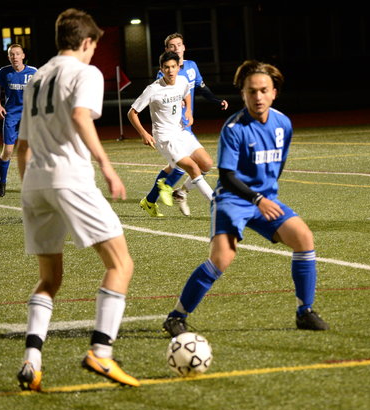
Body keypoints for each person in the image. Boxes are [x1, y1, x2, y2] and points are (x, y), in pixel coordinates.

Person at [15, 8, 138, 391]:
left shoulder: (36, 78)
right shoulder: (86, 73)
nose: (93, 53)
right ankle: (101, 352)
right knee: (121, 263)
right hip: (70, 178)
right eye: (93, 47)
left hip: (34, 184)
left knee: (49, 279)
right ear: (86, 42)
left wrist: (30, 188)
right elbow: (82, 116)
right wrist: (107, 166)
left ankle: (32, 361)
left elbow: (22, 147)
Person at [162, 60, 329, 337]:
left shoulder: (283, 124)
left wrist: (264, 197)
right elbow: (227, 176)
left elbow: (278, 166)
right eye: (252, 91)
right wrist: (258, 199)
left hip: (262, 200)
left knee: (303, 238)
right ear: (243, 94)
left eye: (263, 90)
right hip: (232, 200)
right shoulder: (234, 128)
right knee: (221, 259)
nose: (258, 96)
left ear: (274, 92)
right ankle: (175, 317)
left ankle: (305, 312)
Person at [144, 33, 229, 217]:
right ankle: (210, 203)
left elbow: (201, 88)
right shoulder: (166, 71)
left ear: (184, 47)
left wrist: (215, 101)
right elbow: (161, 91)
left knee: (200, 164)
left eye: (179, 45)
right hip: (173, 127)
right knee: (185, 166)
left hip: (185, 125)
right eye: (172, 46)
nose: (176, 48)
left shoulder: (191, 66)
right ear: (167, 50)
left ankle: (161, 197)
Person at [127, 51, 214, 218]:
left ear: (178, 67)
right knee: (192, 168)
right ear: (161, 69)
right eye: (166, 67)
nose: (170, 71)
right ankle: (217, 204)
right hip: (165, 137)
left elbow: (187, 93)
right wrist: (144, 134)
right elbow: (132, 113)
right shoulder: (153, 89)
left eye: (173, 67)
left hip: (181, 132)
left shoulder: (182, 81)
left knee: (207, 164)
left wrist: (188, 111)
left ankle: (166, 195)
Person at [0, 43, 37, 197]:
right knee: (8, 151)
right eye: (12, 54)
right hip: (11, 115)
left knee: (29, 150)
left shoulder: (33, 72)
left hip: (28, 116)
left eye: (18, 54)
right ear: (9, 57)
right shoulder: (4, 72)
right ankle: (2, 182)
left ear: (23, 56)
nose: (15, 57)